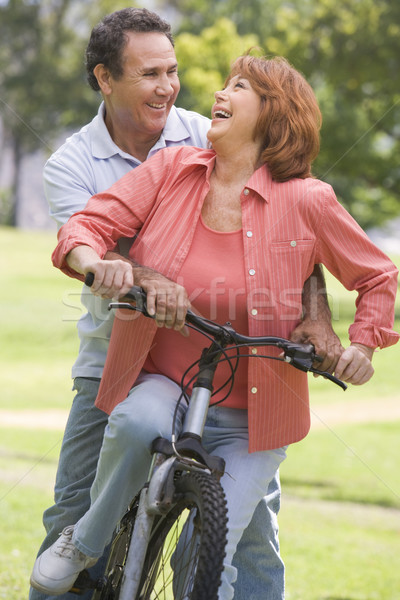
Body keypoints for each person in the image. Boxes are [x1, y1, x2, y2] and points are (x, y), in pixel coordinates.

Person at [31, 53, 399, 598]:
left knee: (208, 552)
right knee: (134, 423)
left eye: (240, 86)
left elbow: (377, 275)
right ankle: (87, 538)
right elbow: (89, 224)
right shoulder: (172, 170)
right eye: (225, 84)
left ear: (274, 113)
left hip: (257, 416)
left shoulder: (307, 199)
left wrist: (362, 344)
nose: (219, 94)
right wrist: (96, 262)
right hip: (165, 381)